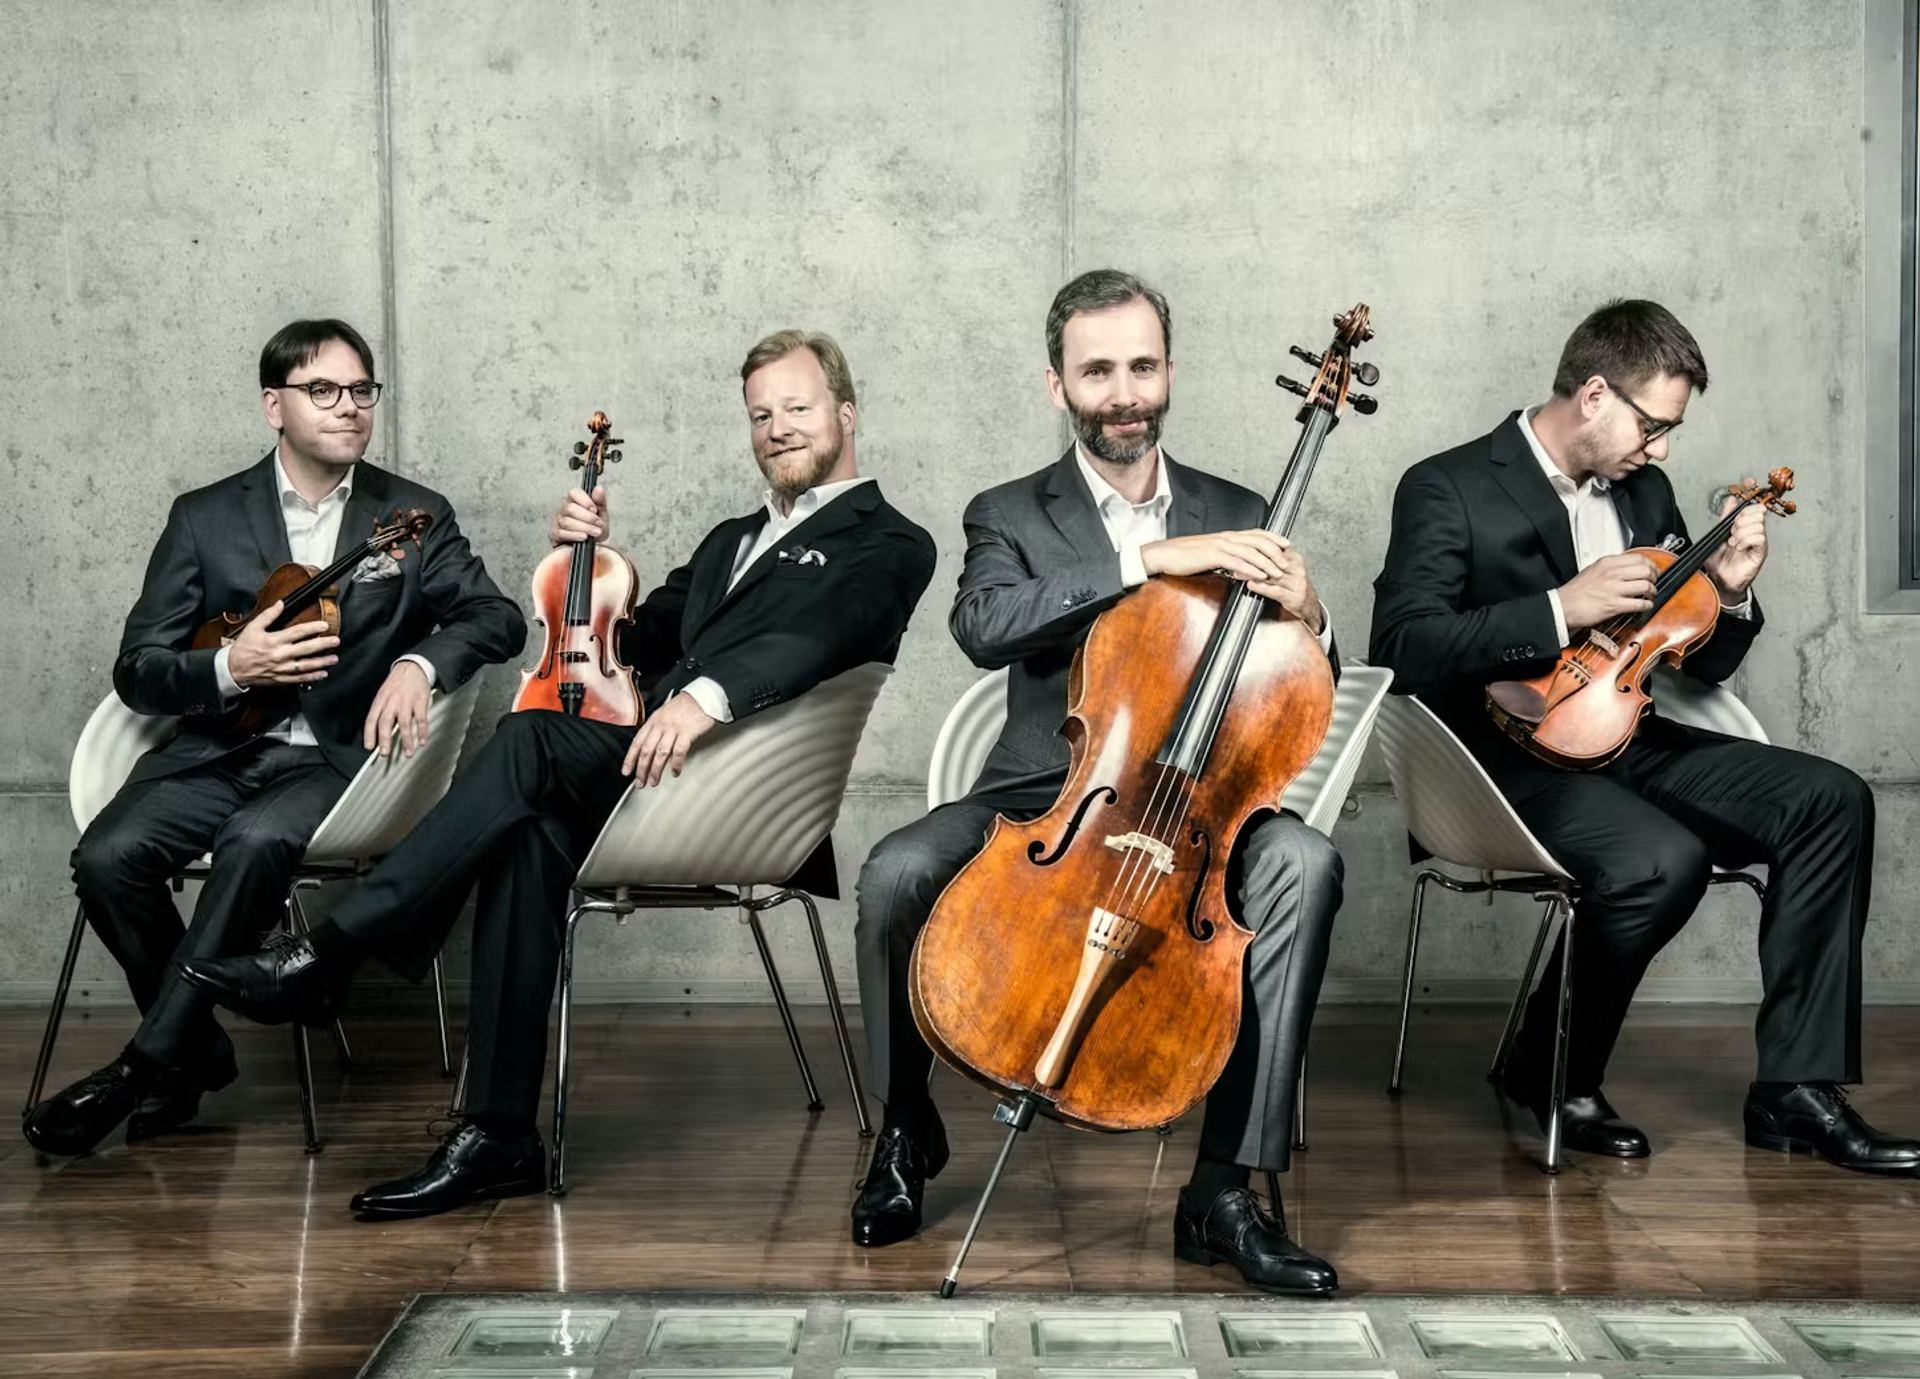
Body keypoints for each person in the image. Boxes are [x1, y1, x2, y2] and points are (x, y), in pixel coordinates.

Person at [184, 329, 939, 1218]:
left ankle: (329, 953)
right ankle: (497, 1134)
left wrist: (706, 697)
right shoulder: (732, 538)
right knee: (527, 827)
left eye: (798, 408)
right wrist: (587, 566)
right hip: (653, 772)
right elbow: (637, 640)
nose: (777, 428)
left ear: (845, 413)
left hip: (739, 788)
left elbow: (825, 631)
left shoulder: (892, 540)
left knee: (531, 741)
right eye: (760, 414)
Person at [851, 270, 1346, 1295]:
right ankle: (904, 1127)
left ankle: (1223, 1190)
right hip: (1047, 797)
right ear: (1058, 384)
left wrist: (1312, 610)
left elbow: (1291, 681)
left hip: (1200, 805)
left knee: (1305, 862)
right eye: (1099, 371)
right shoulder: (1007, 512)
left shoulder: (1243, 509)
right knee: (896, 872)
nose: (1125, 394)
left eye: (1143, 367)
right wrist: (1150, 559)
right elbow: (985, 623)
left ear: (1170, 371)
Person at [1369, 297, 1920, 1174]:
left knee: (1831, 799)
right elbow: (1402, 647)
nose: (1660, 450)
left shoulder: (1646, 494)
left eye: (1670, 431)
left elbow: (1698, 662)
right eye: (1653, 426)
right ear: (1594, 395)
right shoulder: (1448, 485)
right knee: (1662, 858)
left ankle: (1796, 1091)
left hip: (1632, 735)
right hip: (1499, 761)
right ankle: (1551, 1071)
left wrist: (1730, 592)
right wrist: (1561, 607)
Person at [25, 318, 525, 1157]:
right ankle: (196, 1047)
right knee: (107, 857)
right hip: (217, 751)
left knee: (256, 842)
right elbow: (139, 668)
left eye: (361, 389)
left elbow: (496, 617)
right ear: (273, 406)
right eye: (322, 389)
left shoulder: (412, 515)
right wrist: (232, 665)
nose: (349, 406)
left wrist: (419, 663)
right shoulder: (204, 517)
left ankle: (146, 1064)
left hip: (338, 764)